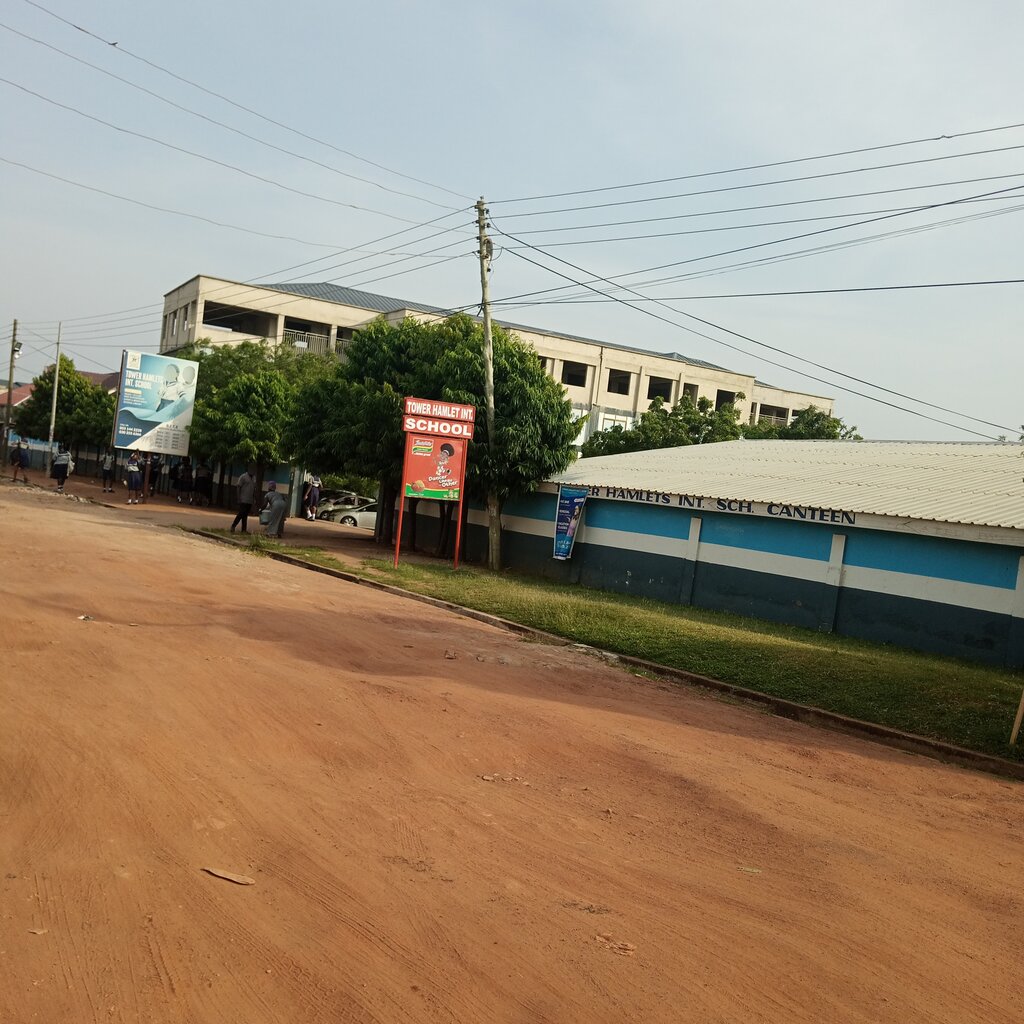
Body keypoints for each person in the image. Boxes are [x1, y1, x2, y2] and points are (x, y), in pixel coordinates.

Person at [230, 466, 257, 533]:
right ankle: (233, 526)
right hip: (243, 499)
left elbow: (254, 489)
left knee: (245, 515)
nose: (253, 471)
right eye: (251, 469)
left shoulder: (254, 478)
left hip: (249, 500)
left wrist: (254, 498)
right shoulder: (243, 477)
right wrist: (238, 498)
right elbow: (238, 487)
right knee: (241, 513)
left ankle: (244, 529)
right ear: (248, 469)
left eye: (254, 469)